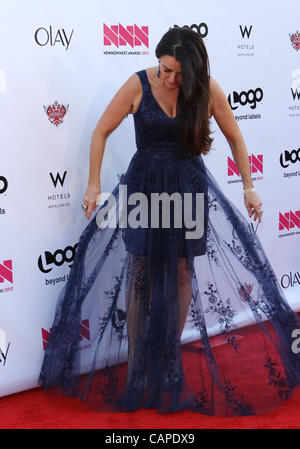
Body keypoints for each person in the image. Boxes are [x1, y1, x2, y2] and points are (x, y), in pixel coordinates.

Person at [39, 27, 300, 417]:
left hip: (187, 188)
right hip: (144, 189)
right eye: (166, 69)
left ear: (193, 71)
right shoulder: (138, 84)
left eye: (179, 73)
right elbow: (101, 132)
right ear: (157, 59)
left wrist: (249, 188)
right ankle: (139, 369)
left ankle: (169, 360)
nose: (171, 78)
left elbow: (235, 137)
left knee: (181, 271)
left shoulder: (206, 89)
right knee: (140, 272)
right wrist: (93, 183)